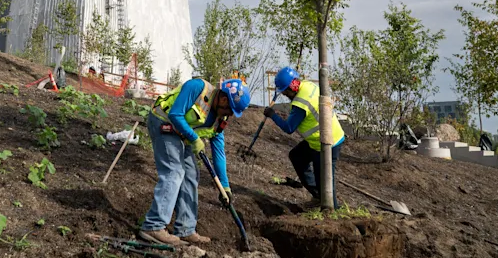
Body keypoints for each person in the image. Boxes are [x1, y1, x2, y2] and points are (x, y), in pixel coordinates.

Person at [139, 77, 251, 246]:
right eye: (229, 110)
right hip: (163, 123)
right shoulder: (197, 88)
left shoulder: (220, 120)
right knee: (175, 171)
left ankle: (186, 229)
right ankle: (153, 225)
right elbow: (175, 114)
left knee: (191, 174)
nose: (229, 115)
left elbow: (218, 152)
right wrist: (194, 138)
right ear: (223, 99)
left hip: (181, 136)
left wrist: (225, 186)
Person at [264, 67, 346, 208]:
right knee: (297, 156)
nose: (285, 94)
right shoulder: (308, 85)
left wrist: (272, 115)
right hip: (321, 138)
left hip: (327, 143)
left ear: (291, 88)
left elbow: (289, 128)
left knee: (325, 183)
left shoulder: (300, 105)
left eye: (285, 91)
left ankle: (333, 212)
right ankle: (318, 197)